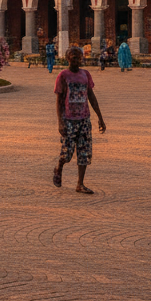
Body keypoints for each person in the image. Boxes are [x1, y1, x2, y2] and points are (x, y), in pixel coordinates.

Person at [53, 46, 106, 194]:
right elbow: (59, 101)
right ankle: (59, 166)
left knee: (84, 152)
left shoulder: (85, 75)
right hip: (69, 120)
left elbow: (91, 96)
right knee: (67, 153)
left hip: (84, 119)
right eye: (73, 58)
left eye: (78, 58)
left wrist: (100, 118)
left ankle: (80, 184)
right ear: (68, 59)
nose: (76, 61)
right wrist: (60, 122)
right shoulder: (63, 76)